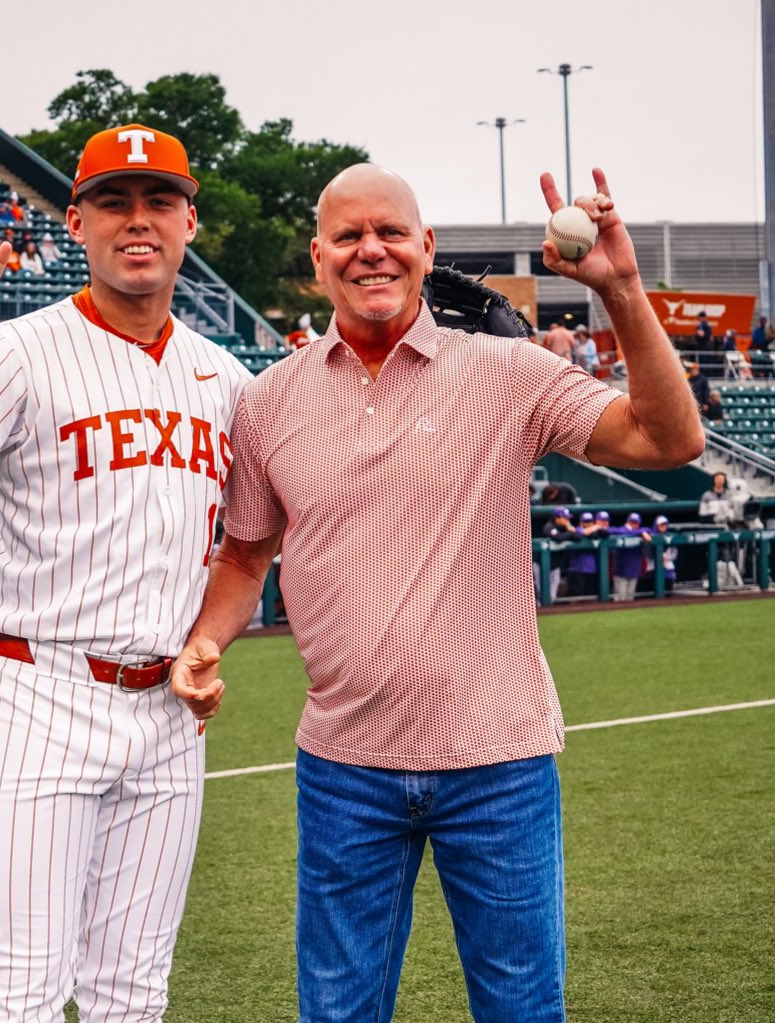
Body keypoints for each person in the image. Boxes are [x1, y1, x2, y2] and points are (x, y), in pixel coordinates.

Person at [171, 163, 704, 1023]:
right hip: (344, 767)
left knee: (521, 1009)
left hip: (498, 761)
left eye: (389, 233)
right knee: (339, 1012)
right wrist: (205, 641)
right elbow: (242, 557)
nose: (369, 250)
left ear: (426, 248)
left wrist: (623, 290)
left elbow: (667, 439)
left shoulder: (508, 373)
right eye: (347, 236)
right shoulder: (267, 402)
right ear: (318, 257)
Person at [0, 122, 252, 1023]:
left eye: (159, 200)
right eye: (114, 202)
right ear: (76, 221)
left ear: (191, 221)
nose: (137, 220)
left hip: (167, 712)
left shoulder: (223, 377)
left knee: (133, 996)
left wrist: (204, 641)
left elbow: (244, 545)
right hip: (41, 693)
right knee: (20, 994)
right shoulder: (18, 351)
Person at [538, 505, 576, 604]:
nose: (567, 520)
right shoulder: (549, 526)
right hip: (540, 564)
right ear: (557, 517)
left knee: (552, 594)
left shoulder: (565, 527)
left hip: (555, 564)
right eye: (565, 518)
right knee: (540, 591)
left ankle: (550, 610)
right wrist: (570, 533)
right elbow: (558, 538)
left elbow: (578, 537)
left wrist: (570, 530)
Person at [611, 511, 651, 601]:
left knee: (630, 599)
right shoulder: (620, 530)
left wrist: (642, 531)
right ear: (628, 522)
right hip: (621, 570)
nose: (634, 524)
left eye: (636, 522)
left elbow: (650, 530)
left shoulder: (641, 531)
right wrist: (640, 532)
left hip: (634, 570)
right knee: (620, 599)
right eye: (632, 522)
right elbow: (613, 530)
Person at [649, 514, 677, 596]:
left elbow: (674, 553)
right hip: (653, 567)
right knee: (654, 593)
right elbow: (647, 553)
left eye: (665, 524)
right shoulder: (651, 536)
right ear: (657, 525)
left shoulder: (670, 536)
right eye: (661, 525)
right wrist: (658, 556)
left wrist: (668, 557)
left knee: (668, 592)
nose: (663, 526)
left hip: (667, 566)